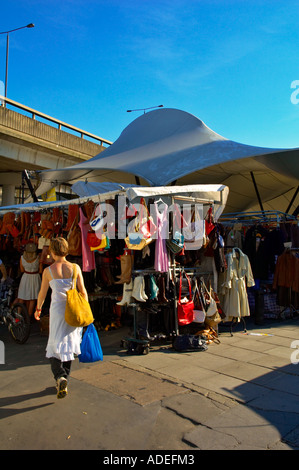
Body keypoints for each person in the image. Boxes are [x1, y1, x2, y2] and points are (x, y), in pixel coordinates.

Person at [34, 237, 88, 399]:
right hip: (73, 310)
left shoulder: (48, 271)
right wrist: (84, 311)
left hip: (57, 311)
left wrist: (38, 309)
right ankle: (65, 379)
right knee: (69, 344)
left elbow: (42, 294)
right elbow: (83, 292)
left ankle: (60, 377)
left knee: (55, 344)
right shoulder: (75, 268)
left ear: (52, 251)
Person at [17, 242, 42, 317]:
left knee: (22, 297)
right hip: (35, 277)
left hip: (25, 277)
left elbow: (21, 270)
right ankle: (29, 316)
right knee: (33, 298)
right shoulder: (38, 258)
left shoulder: (22, 258)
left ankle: (18, 314)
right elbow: (40, 271)